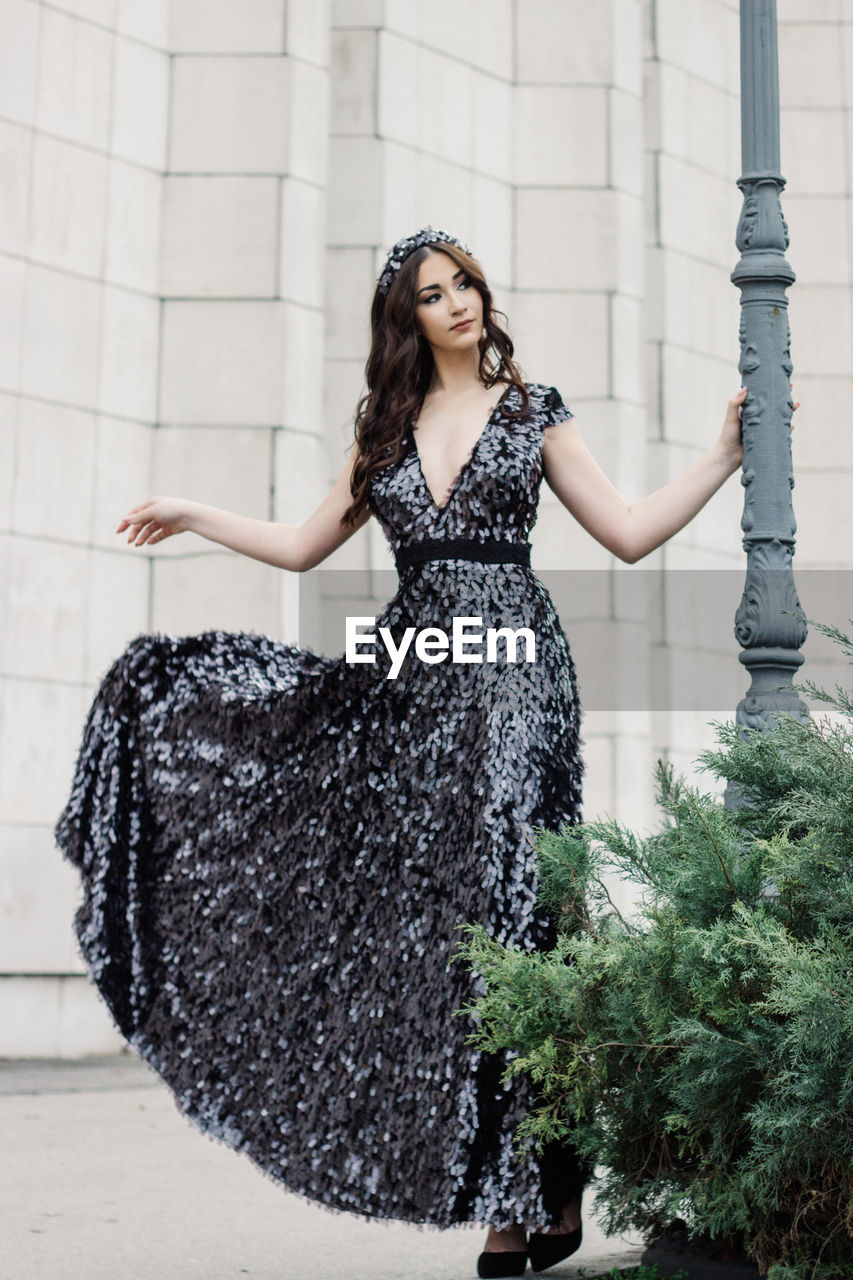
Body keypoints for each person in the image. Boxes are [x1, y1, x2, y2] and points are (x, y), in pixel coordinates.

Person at [55, 226, 797, 1280]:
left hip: (517, 675)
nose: (454, 302)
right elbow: (304, 543)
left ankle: (521, 1196)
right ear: (405, 318)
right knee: (454, 930)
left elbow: (627, 532)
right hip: (417, 682)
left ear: (482, 297)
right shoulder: (386, 429)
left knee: (513, 910)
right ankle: (538, 1182)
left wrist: (722, 457)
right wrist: (191, 511)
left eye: (463, 284)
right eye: (430, 292)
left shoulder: (534, 411)